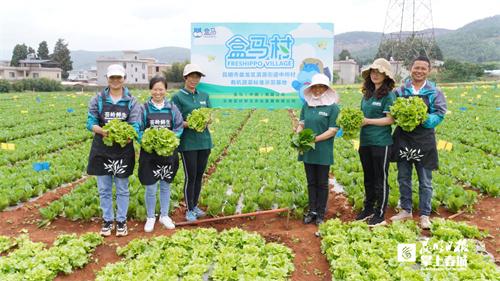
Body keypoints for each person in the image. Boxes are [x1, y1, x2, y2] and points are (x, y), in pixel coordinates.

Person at [390, 56, 447, 229]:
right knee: (403, 177)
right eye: (416, 68)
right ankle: (406, 210)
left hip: (424, 141)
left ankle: (424, 215)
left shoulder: (434, 92)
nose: (419, 71)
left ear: (428, 71)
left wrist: (423, 118)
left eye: (423, 68)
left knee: (425, 180)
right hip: (403, 139)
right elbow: (391, 111)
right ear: (410, 68)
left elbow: (440, 114)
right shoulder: (400, 91)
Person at [86, 64, 141, 237]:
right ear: (107, 79)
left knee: (122, 187)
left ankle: (122, 221)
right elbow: (90, 122)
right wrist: (101, 131)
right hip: (102, 148)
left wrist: (130, 135)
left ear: (124, 79)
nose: (116, 81)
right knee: (104, 188)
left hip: (123, 149)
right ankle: (108, 220)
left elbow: (135, 125)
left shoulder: (131, 101)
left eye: (119, 77)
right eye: (112, 78)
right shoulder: (98, 99)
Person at [138, 76, 184, 232]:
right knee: (150, 188)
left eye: (161, 89)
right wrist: (148, 141)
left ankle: (164, 215)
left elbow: (178, 127)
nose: (158, 92)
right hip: (150, 155)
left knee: (165, 186)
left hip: (168, 154)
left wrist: (168, 140)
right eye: (155, 89)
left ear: (166, 90)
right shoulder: (144, 109)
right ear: (151, 90)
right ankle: (151, 217)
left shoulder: (172, 108)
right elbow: (138, 129)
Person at [355, 58, 396, 226]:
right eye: (373, 72)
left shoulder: (388, 96)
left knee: (381, 178)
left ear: (385, 76)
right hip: (365, 142)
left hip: (381, 142)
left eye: (379, 72)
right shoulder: (367, 95)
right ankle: (368, 208)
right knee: (368, 177)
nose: (375, 75)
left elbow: (390, 120)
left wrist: (368, 121)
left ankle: (380, 212)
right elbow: (361, 117)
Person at [295, 73, 340, 225]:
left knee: (322, 182)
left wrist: (315, 139)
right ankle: (312, 210)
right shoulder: (306, 105)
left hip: (323, 149)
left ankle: (320, 213)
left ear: (326, 89)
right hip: (308, 149)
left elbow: (332, 130)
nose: (318, 90)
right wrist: (298, 135)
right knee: (311, 181)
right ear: (311, 88)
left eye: (321, 87)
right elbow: (301, 124)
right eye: (315, 87)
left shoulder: (332, 107)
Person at [171, 64, 213, 222]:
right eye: (191, 76)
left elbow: (209, 116)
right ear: (185, 78)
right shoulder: (177, 97)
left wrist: (207, 120)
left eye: (197, 77)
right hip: (188, 143)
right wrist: (190, 123)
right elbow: (175, 120)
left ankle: (195, 205)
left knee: (200, 175)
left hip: (204, 141)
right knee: (191, 176)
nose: (194, 80)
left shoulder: (204, 96)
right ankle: (189, 209)